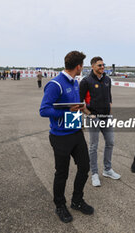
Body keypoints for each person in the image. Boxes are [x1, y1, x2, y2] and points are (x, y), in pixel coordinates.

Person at [40, 51, 94, 223]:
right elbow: (44, 110)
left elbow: (74, 106)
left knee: (84, 167)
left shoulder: (75, 82)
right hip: (60, 136)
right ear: (78, 66)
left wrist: (84, 113)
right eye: (82, 65)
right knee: (62, 173)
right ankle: (60, 205)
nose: (82, 68)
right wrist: (66, 112)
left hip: (76, 133)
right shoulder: (55, 84)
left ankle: (77, 201)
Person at [79, 57, 120, 187]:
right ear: (92, 66)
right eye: (99, 65)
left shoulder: (107, 80)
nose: (102, 67)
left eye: (103, 65)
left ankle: (107, 169)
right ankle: (95, 174)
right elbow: (80, 103)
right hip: (93, 118)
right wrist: (89, 115)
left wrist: (110, 112)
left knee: (110, 142)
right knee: (93, 146)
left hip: (106, 117)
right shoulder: (86, 81)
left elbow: (109, 98)